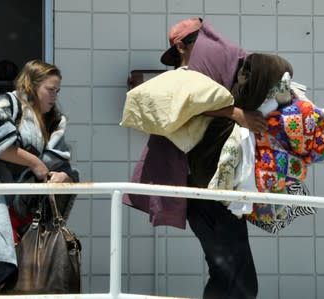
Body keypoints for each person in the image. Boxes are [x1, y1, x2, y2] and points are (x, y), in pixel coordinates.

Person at [124, 18, 294, 299]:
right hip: (204, 187)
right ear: (183, 47)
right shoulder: (183, 79)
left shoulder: (208, 79)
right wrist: (235, 113)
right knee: (236, 275)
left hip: (212, 186)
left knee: (226, 270)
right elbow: (187, 104)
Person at [0, 60, 79, 295]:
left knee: (29, 280)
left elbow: (59, 162)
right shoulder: (8, 104)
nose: (54, 96)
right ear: (31, 86)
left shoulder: (54, 120)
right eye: (50, 89)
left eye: (57, 91)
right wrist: (35, 163)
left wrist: (64, 175)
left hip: (32, 214)